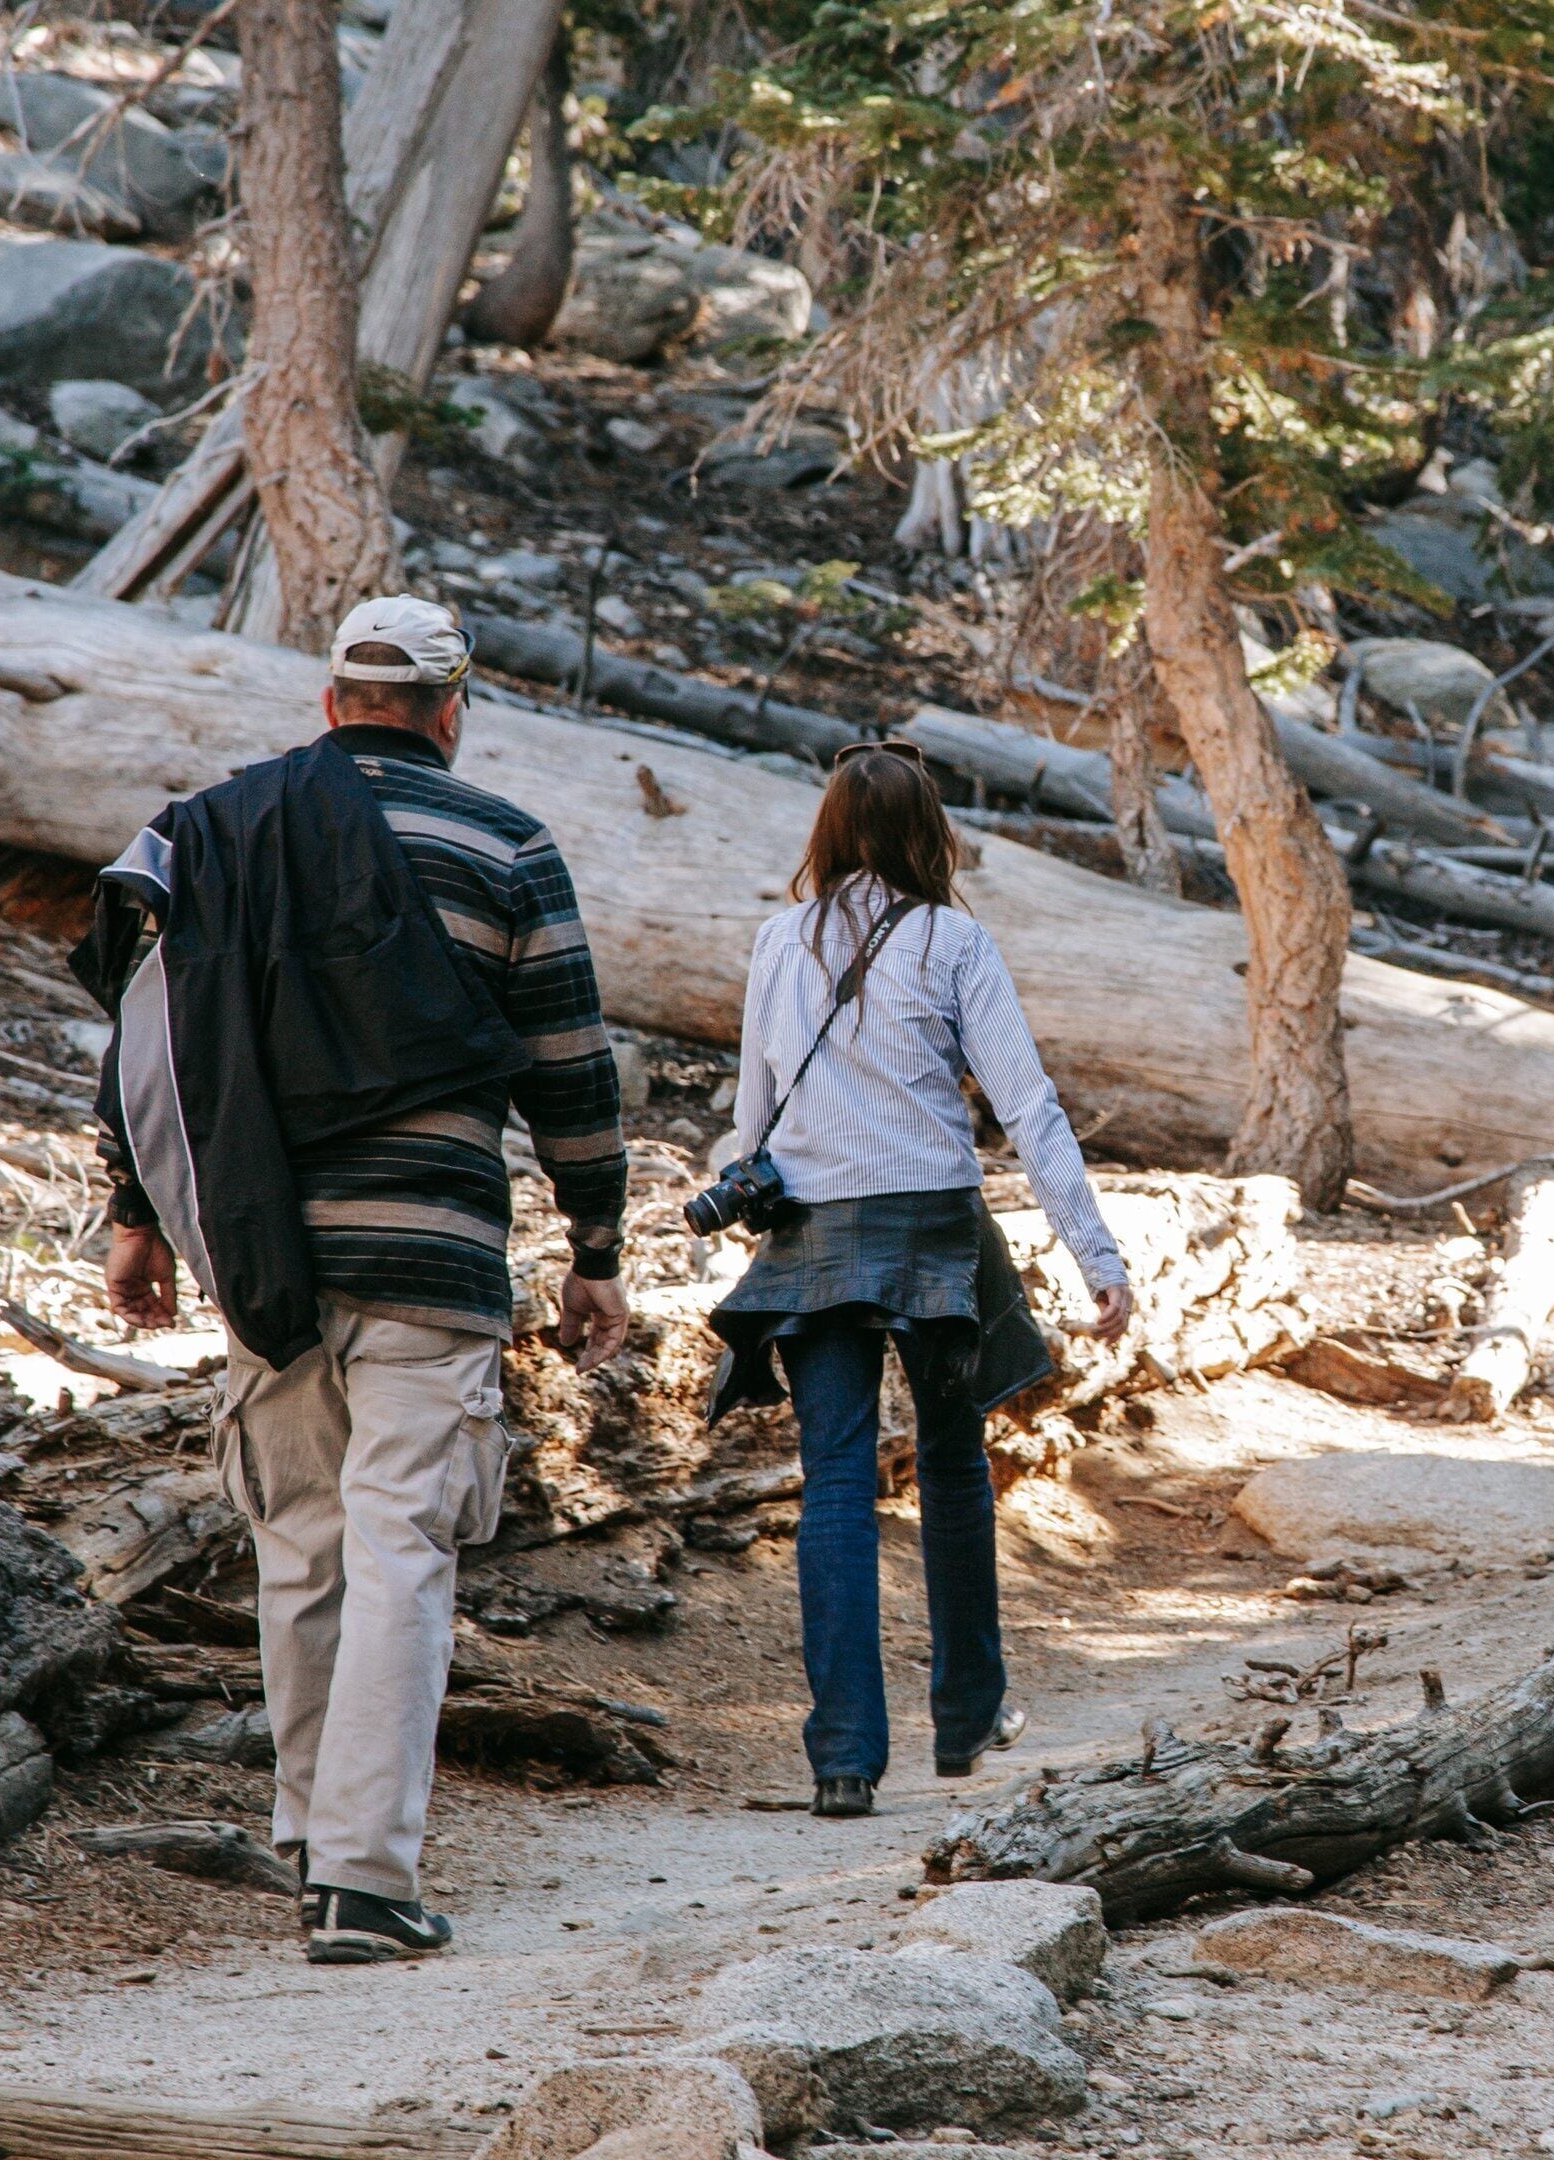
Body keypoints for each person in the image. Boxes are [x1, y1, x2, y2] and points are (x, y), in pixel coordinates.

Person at [83, 596, 633, 1966]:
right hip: (431, 1254)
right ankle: (368, 1877)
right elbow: (569, 1064)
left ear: (331, 706)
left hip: (260, 1243)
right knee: (401, 1546)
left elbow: (153, 1035)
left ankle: (314, 1841)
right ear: (453, 711)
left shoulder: (215, 832)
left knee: (306, 1544)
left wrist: (136, 1214)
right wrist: (596, 1246)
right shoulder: (507, 843)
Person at [701, 739, 1134, 1819]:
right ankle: (967, 1715)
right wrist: (1098, 1255)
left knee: (835, 1484)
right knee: (951, 1470)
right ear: (928, 835)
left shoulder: (774, 940)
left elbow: (750, 1116)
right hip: (935, 1234)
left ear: (829, 836)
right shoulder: (954, 940)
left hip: (811, 1235)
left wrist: (728, 1192)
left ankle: (844, 1759)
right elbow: (1028, 1105)